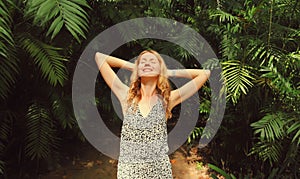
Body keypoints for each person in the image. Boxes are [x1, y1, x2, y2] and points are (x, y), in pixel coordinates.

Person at [95, 50, 210, 179]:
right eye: (143, 62)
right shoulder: (126, 96)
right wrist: (134, 67)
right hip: (129, 172)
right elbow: (100, 58)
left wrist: (168, 72)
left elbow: (205, 74)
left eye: (152, 62)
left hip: (159, 171)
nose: (147, 64)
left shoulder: (168, 100)